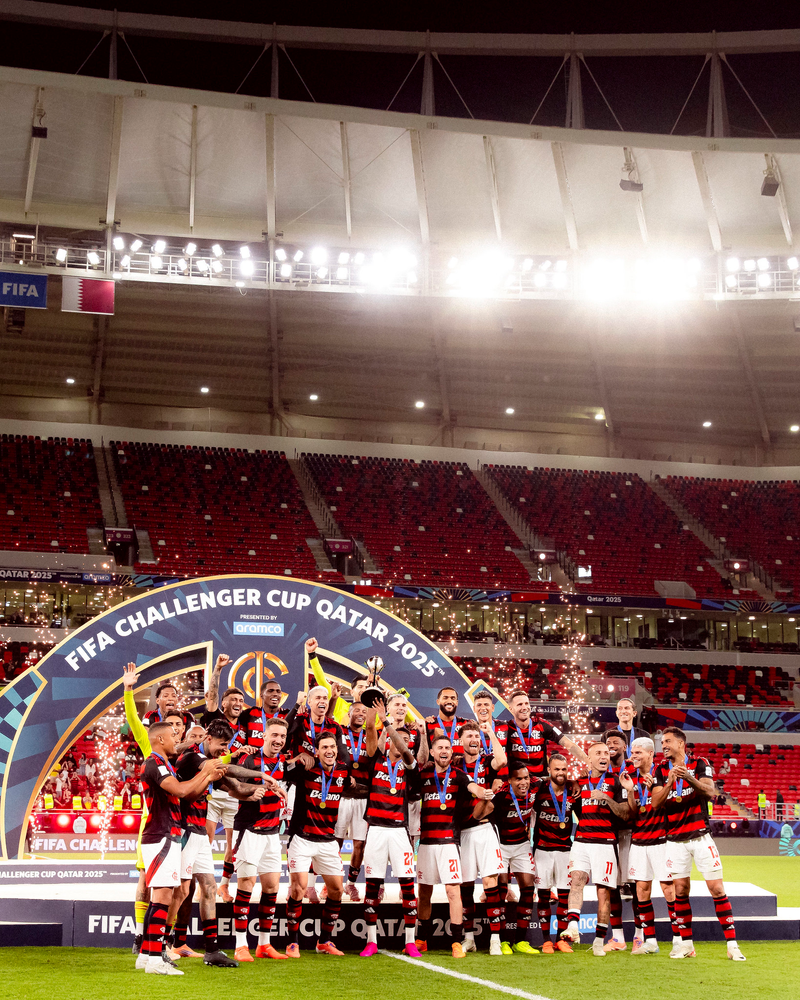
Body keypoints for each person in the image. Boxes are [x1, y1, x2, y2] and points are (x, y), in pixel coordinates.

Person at [135, 721, 227, 975]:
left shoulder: (163, 764)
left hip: (168, 834)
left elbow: (187, 794)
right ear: (160, 740)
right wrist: (204, 773)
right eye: (173, 736)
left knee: (162, 896)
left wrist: (207, 776)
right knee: (163, 897)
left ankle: (146, 955)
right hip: (161, 834)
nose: (177, 740)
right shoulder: (154, 763)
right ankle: (156, 960)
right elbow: (181, 790)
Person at [652, 726, 746, 961]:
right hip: (675, 840)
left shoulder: (700, 763)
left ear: (681, 743)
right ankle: (686, 945)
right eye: (662, 742)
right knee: (680, 891)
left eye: (668, 741)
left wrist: (688, 778)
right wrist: (670, 783)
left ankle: (732, 945)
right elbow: (655, 802)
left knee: (717, 889)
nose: (664, 746)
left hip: (700, 836)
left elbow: (709, 791)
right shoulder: (660, 769)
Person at [170, 718, 245, 968]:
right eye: (222, 745)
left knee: (209, 887)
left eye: (227, 746)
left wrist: (258, 784)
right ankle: (161, 944)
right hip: (185, 829)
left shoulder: (208, 759)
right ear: (208, 739)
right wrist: (258, 775)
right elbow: (229, 772)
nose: (224, 750)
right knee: (180, 891)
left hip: (199, 829)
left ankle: (211, 950)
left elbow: (231, 783)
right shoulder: (193, 757)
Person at [416, 734, 494, 958]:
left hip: (449, 841)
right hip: (426, 842)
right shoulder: (423, 775)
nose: (444, 751)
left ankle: (456, 942)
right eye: (440, 747)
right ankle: (422, 940)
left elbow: (473, 787)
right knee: (424, 893)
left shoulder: (459, 775)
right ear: (432, 752)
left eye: (448, 748)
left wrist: (483, 792)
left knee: (453, 892)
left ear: (452, 752)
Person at [359, 698, 425, 958]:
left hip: (399, 831)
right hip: (376, 830)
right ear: (388, 740)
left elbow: (406, 751)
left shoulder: (410, 766)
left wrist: (387, 722)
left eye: (406, 739)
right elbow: (369, 730)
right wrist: (373, 711)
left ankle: (410, 941)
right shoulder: (375, 761)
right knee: (372, 887)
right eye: (398, 739)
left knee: (408, 886)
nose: (402, 743)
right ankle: (371, 941)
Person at [561, 740, 634, 958]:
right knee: (577, 880)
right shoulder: (579, 782)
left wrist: (606, 799)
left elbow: (625, 814)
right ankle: (573, 926)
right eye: (599, 753)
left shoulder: (617, 781)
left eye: (606, 753)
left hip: (605, 843)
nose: (604, 756)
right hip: (582, 840)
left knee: (603, 891)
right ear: (590, 759)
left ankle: (599, 941)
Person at [284, 732, 353, 956]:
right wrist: (298, 757)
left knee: (337, 890)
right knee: (298, 889)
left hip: (328, 839)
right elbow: (283, 769)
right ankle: (292, 942)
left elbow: (350, 784)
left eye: (332, 747)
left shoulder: (343, 771)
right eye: (324, 747)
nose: (329, 751)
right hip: (302, 837)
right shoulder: (306, 768)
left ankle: (324, 942)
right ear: (317, 751)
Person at [230, 718, 291, 962]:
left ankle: (264, 944)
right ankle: (240, 945)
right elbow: (232, 788)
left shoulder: (284, 762)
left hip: (272, 833)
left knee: (272, 888)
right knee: (246, 884)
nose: (278, 740)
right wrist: (249, 792)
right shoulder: (249, 760)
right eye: (274, 735)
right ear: (264, 736)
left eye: (282, 737)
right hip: (249, 830)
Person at [457, 720, 507, 956]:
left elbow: (502, 760)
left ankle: (495, 939)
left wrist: (490, 733)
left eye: (476, 736)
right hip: (463, 831)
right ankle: (469, 938)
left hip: (485, 829)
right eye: (469, 736)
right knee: (466, 885)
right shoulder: (455, 764)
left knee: (490, 882)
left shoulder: (486, 762)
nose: (474, 740)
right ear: (461, 741)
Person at [626, 736, 677, 956]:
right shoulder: (630, 777)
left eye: (638, 753)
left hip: (662, 840)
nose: (633, 757)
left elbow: (667, 804)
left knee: (669, 889)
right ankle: (651, 941)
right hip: (638, 841)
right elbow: (633, 813)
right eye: (632, 753)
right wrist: (630, 791)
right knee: (642, 890)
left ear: (650, 753)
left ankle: (680, 939)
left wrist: (658, 788)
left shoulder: (662, 773)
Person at [202, 680, 245, 903]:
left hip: (232, 792)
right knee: (206, 841)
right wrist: (217, 669)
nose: (237, 703)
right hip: (212, 790)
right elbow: (211, 697)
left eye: (241, 700)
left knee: (232, 844)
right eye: (233, 700)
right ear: (224, 704)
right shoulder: (215, 722)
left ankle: (224, 885)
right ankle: (203, 885)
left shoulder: (246, 726)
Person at [490, 764, 540, 956]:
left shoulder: (535, 788)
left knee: (528, 889)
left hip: (522, 845)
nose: (523, 782)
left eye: (526, 778)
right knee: (501, 891)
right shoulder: (501, 796)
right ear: (510, 780)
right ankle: (502, 941)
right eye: (518, 779)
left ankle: (520, 940)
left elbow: (552, 781)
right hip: (501, 846)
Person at [532, 752, 579, 954]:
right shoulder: (539, 789)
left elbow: (582, 817)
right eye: (557, 769)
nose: (561, 773)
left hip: (564, 850)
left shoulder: (573, 791)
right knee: (543, 896)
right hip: (542, 850)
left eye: (564, 769)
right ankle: (546, 940)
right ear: (549, 770)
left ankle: (561, 939)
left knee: (564, 896)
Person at [499, 689, 589, 780]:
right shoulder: (506, 728)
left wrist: (589, 762)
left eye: (526, 703)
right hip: (518, 781)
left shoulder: (542, 725)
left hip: (540, 780)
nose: (524, 707)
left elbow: (569, 744)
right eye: (519, 704)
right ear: (511, 709)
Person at [601, 728, 635, 949]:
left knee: (636, 886)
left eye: (615, 742)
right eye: (608, 743)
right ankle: (618, 938)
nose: (611, 746)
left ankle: (640, 935)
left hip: (631, 834)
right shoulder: (601, 772)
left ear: (625, 747)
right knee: (612, 886)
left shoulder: (633, 769)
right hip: (608, 835)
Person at [335, 699, 369, 902]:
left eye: (364, 711)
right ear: (349, 714)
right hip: (341, 795)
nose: (360, 714)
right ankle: (334, 882)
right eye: (356, 710)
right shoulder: (339, 732)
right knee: (335, 842)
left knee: (359, 844)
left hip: (362, 797)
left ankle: (351, 884)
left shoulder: (370, 735)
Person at [424, 687, 469, 759]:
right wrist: (435, 739)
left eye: (453, 698)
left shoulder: (466, 724)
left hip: (462, 766)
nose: (449, 701)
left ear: (457, 702)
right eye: (445, 698)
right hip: (438, 766)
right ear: (438, 701)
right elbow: (423, 755)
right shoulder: (428, 725)